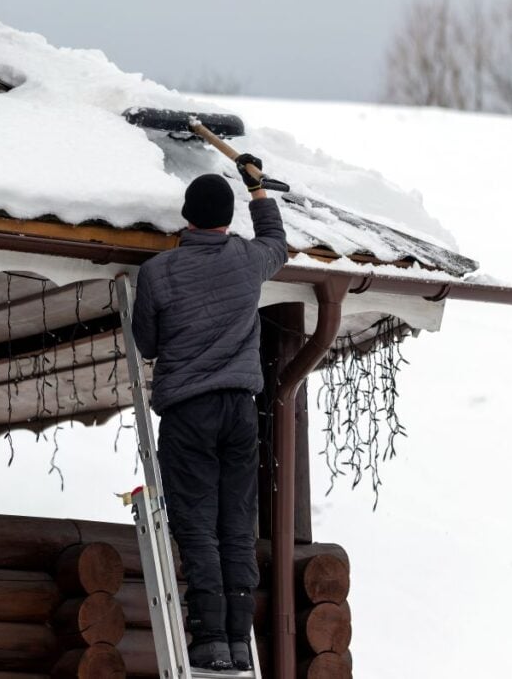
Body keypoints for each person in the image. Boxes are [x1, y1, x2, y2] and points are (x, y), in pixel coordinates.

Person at [131, 155, 288, 671]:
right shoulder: (247, 259)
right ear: (226, 217)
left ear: (185, 215)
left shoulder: (159, 272)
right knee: (236, 523)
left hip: (189, 412)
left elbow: (147, 343)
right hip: (240, 412)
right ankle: (239, 642)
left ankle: (210, 641)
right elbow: (276, 243)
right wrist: (258, 189)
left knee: (196, 524)